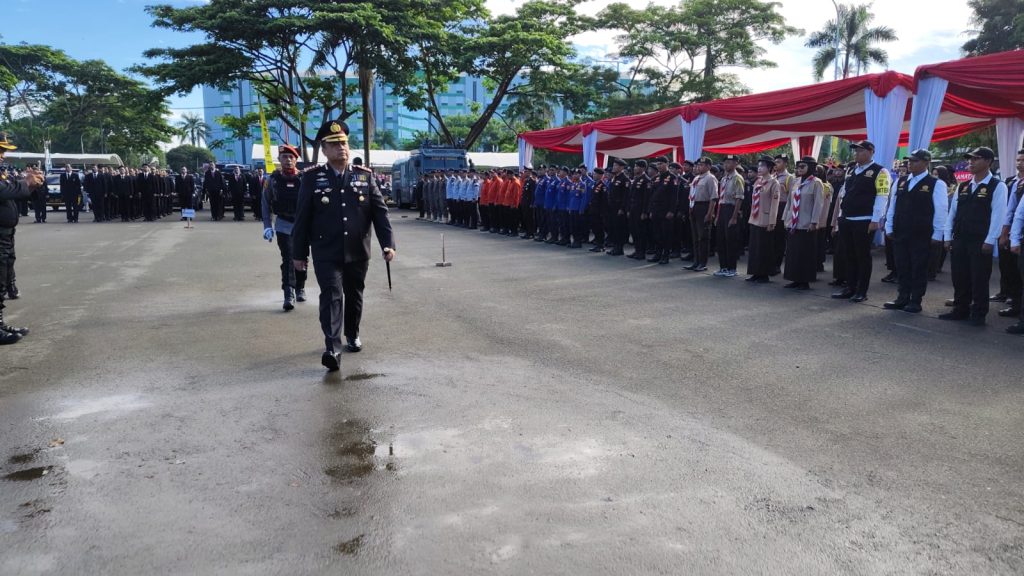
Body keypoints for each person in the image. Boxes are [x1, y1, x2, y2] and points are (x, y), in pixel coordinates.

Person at [292, 120, 396, 371]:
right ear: (324, 150)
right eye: (335, 144)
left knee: (354, 294)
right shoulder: (312, 178)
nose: (341, 148)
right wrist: (299, 253)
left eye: (344, 143)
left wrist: (388, 244)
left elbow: (380, 213)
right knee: (331, 296)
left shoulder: (364, 176)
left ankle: (352, 333)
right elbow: (302, 218)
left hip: (358, 250)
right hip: (326, 251)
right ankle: (332, 348)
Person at [940, 146, 1007, 326]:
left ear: (988, 162)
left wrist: (990, 240)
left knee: (979, 277)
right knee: (959, 275)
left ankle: (978, 313)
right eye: (970, 159)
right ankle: (960, 309)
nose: (971, 162)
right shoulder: (963, 185)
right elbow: (952, 213)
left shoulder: (997, 186)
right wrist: (948, 236)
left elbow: (998, 215)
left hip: (980, 239)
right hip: (960, 237)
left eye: (976, 158)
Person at [881, 149, 948, 314]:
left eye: (915, 160)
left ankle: (915, 300)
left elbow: (941, 210)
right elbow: (892, 205)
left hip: (921, 233)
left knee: (918, 267)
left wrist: (937, 234)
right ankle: (902, 297)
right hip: (901, 230)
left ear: (926, 163)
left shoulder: (936, 183)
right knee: (902, 265)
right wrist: (889, 226)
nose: (910, 163)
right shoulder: (901, 181)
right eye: (909, 160)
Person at [832, 141, 890, 303]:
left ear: (871, 152)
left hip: (864, 219)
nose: (856, 154)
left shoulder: (880, 171)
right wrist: (841, 216)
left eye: (860, 151)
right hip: (847, 218)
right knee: (849, 255)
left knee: (862, 256)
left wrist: (876, 219)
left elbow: (882, 196)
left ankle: (861, 291)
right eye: (855, 151)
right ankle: (850, 287)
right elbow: (844, 193)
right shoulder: (852, 170)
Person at [0, 133, 44, 344]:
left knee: (3, 279)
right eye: (0, 150)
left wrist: (31, 186)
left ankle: (0, 323)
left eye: (3, 151)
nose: (2, 155)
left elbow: (12, 192)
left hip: (6, 235)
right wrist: (25, 182)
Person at [262, 145, 308, 311]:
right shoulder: (272, 180)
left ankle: (300, 286)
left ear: (296, 160)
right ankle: (288, 293)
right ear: (279, 160)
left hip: (302, 225)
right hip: (283, 224)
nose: (288, 160)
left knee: (301, 257)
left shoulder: (304, 179)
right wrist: (267, 226)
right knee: (288, 257)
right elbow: (265, 203)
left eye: (291, 157)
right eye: (284, 157)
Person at [782, 156, 825, 290]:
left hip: (806, 224)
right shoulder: (795, 182)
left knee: (805, 253)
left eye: (802, 166)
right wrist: (786, 218)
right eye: (798, 167)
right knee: (793, 252)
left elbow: (818, 204)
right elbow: (789, 202)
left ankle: (804, 281)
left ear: (810, 168)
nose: (799, 169)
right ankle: (794, 278)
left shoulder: (816, 183)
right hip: (793, 223)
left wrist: (814, 222)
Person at [993, 149, 1024, 317]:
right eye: (1018, 160)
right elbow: (1011, 210)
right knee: (1008, 267)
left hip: (1018, 231)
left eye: (1023, 160)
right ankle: (1010, 296)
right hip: (1012, 230)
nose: (1020, 163)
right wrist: (1004, 232)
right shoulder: (1011, 182)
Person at [745, 156, 781, 283]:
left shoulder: (774, 183)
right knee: (754, 247)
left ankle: (764, 274)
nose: (759, 168)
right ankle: (755, 272)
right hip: (755, 218)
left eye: (763, 166)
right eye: (759, 165)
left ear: (769, 168)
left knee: (764, 248)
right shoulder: (758, 181)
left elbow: (775, 204)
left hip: (765, 219)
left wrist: (772, 222)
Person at [714, 155, 745, 276]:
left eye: (729, 162)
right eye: (725, 162)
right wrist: (717, 215)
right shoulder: (724, 178)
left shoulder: (737, 178)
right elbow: (720, 199)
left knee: (730, 240)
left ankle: (732, 268)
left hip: (731, 209)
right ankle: (723, 267)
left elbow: (739, 198)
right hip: (722, 209)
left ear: (736, 164)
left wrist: (734, 217)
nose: (726, 165)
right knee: (720, 239)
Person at [684, 157, 717, 272]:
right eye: (698, 165)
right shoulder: (696, 178)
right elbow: (692, 194)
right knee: (695, 237)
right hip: (694, 206)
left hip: (704, 206)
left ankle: (703, 263)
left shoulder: (710, 178)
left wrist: (709, 213)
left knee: (703, 237)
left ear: (708, 166)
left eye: (701, 165)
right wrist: (690, 207)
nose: (698, 167)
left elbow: (713, 197)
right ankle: (696, 261)